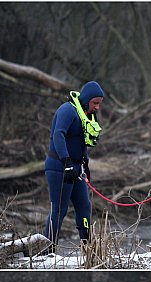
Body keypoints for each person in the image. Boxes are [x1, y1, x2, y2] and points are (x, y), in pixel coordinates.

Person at [43, 81, 104, 250]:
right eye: (95, 103)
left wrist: (84, 162)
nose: (97, 107)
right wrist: (67, 163)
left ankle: (89, 248)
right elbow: (58, 135)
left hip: (77, 170)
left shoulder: (85, 114)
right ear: (86, 100)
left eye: (99, 103)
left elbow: (81, 141)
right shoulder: (67, 110)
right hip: (59, 167)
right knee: (59, 210)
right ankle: (47, 251)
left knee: (84, 208)